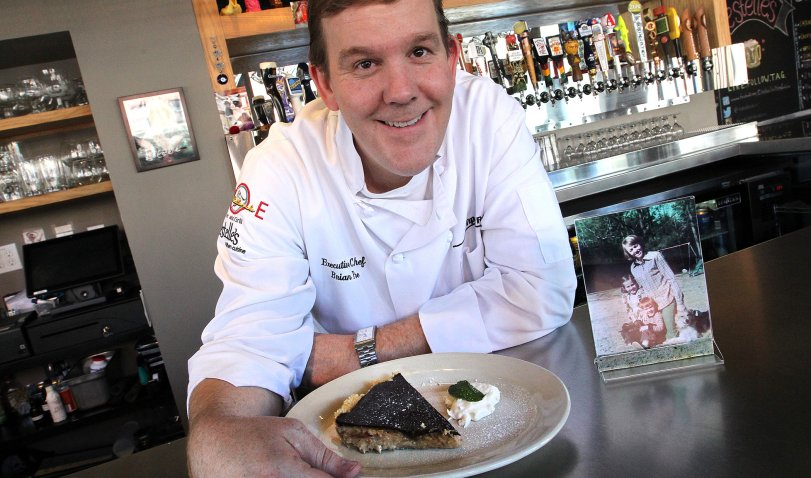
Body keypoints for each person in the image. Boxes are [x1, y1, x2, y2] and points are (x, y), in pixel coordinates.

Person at [187, 0, 577, 475]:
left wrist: (359, 349)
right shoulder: (281, 168)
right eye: (365, 63)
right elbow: (250, 340)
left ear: (452, 58)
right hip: (349, 449)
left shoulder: (488, 118)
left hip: (506, 426)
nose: (400, 91)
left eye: (419, 51)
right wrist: (220, 431)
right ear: (325, 84)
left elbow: (541, 289)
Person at [621, 234, 686, 342]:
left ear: (640, 244)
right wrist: (643, 310)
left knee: (670, 333)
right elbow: (641, 289)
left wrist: (680, 304)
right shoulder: (633, 268)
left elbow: (671, 279)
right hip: (652, 305)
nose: (635, 250)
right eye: (631, 249)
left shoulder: (655, 256)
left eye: (636, 246)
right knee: (657, 332)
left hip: (667, 299)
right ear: (628, 253)